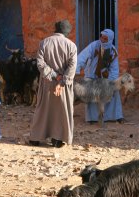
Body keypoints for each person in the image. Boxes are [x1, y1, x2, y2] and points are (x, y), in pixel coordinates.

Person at [29, 20, 77, 148]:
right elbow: (72, 67)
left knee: (43, 109)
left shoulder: (44, 43)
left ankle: (36, 137)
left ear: (55, 29)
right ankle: (58, 139)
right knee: (62, 110)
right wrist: (62, 81)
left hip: (47, 82)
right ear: (66, 32)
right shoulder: (71, 46)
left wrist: (53, 75)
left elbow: (40, 64)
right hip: (63, 85)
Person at [75, 29, 125, 124]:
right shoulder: (94, 46)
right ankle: (92, 119)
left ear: (110, 40)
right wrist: (76, 69)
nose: (102, 39)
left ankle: (116, 116)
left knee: (114, 91)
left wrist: (110, 83)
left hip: (106, 78)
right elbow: (82, 57)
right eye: (102, 37)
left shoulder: (113, 51)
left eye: (105, 38)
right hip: (91, 75)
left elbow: (114, 70)